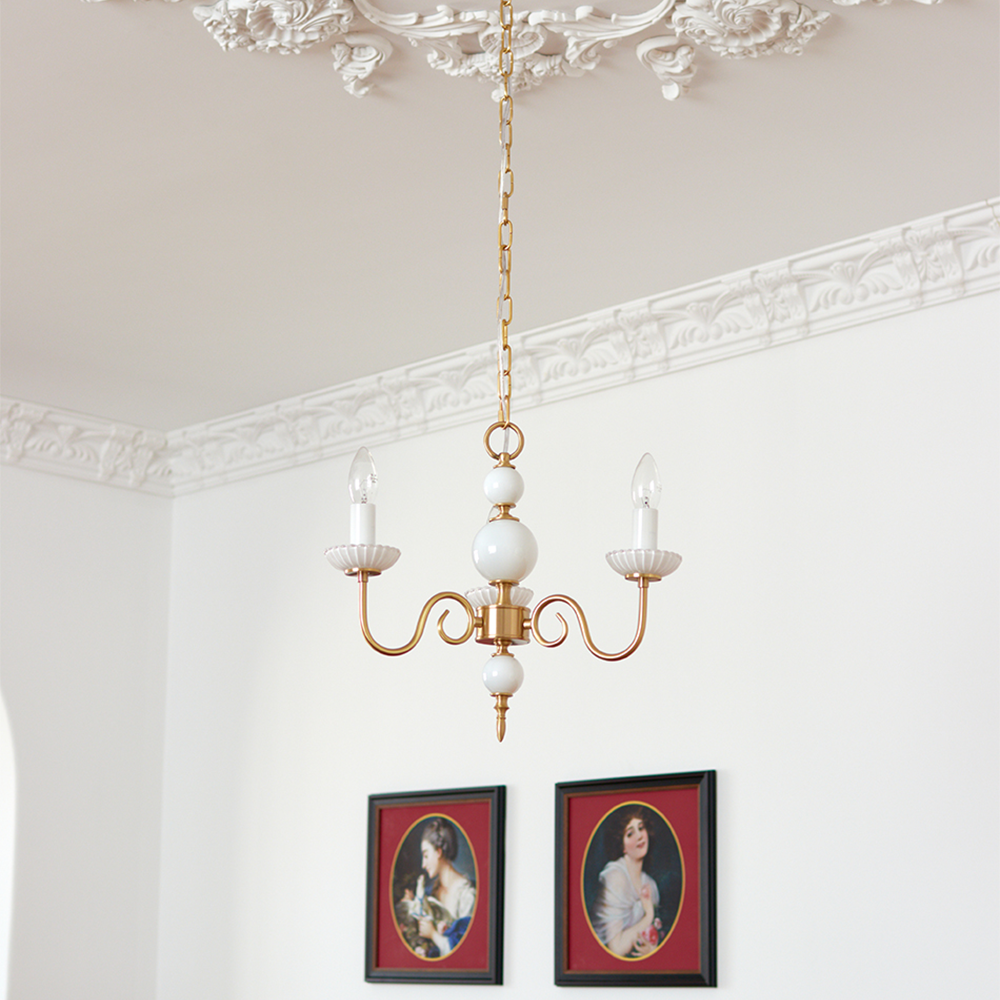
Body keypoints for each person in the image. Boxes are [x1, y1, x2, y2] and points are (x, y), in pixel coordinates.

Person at [592, 806, 662, 957]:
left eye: (641, 828)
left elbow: (651, 938)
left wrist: (652, 950)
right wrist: (649, 915)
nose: (640, 836)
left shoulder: (651, 884)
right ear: (621, 845)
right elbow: (616, 948)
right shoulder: (615, 877)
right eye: (630, 834)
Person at [414, 816, 476, 957]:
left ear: (438, 852)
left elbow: (467, 951)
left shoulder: (466, 895)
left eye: (426, 855)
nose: (423, 864)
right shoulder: (433, 891)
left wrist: (432, 934)